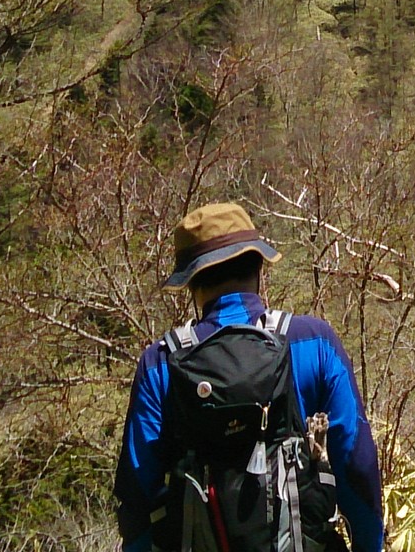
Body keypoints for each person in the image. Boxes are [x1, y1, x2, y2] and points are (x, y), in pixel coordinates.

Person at [115, 202, 385, 552]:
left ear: (192, 283)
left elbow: (137, 493)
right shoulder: (314, 341)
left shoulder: (160, 364)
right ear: (260, 266)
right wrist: (369, 544)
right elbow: (356, 462)